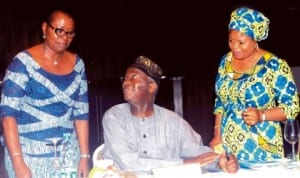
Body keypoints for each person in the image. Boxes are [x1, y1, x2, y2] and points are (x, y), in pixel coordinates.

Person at [102, 55, 239, 174]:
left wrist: (219, 162)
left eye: (134, 77)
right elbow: (129, 163)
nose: (126, 82)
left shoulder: (173, 121)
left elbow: (197, 152)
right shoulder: (114, 117)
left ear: (151, 86)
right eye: (125, 78)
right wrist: (186, 164)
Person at [0, 9, 90, 178]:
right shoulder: (23, 63)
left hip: (67, 156)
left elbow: (82, 114)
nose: (64, 37)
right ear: (44, 28)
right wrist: (18, 163)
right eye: (59, 30)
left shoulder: (78, 65)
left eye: (70, 33)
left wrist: (84, 156)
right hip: (29, 155)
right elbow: (7, 115)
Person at [209, 7, 300, 162]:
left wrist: (262, 115)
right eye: (231, 40)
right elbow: (220, 101)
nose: (234, 47)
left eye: (241, 42)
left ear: (255, 39)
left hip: (263, 150)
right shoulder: (225, 61)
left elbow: (293, 107)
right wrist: (217, 134)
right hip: (228, 148)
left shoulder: (275, 65)